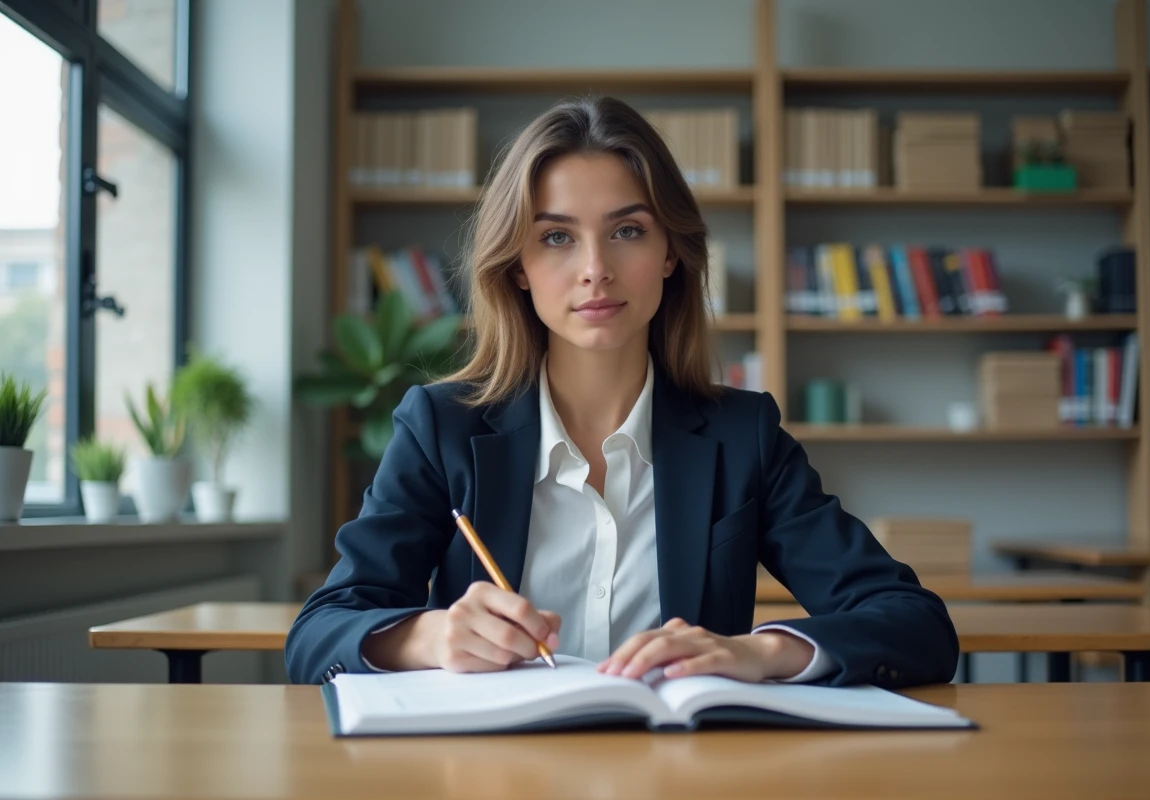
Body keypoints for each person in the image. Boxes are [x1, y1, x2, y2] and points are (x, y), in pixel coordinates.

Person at [285, 95, 958, 688]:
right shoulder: (441, 429)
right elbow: (318, 634)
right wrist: (429, 638)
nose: (595, 270)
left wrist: (761, 652)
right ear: (517, 266)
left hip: (681, 765)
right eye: (556, 237)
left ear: (669, 253)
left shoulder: (742, 437)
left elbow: (914, 623)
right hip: (492, 769)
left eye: (627, 231)